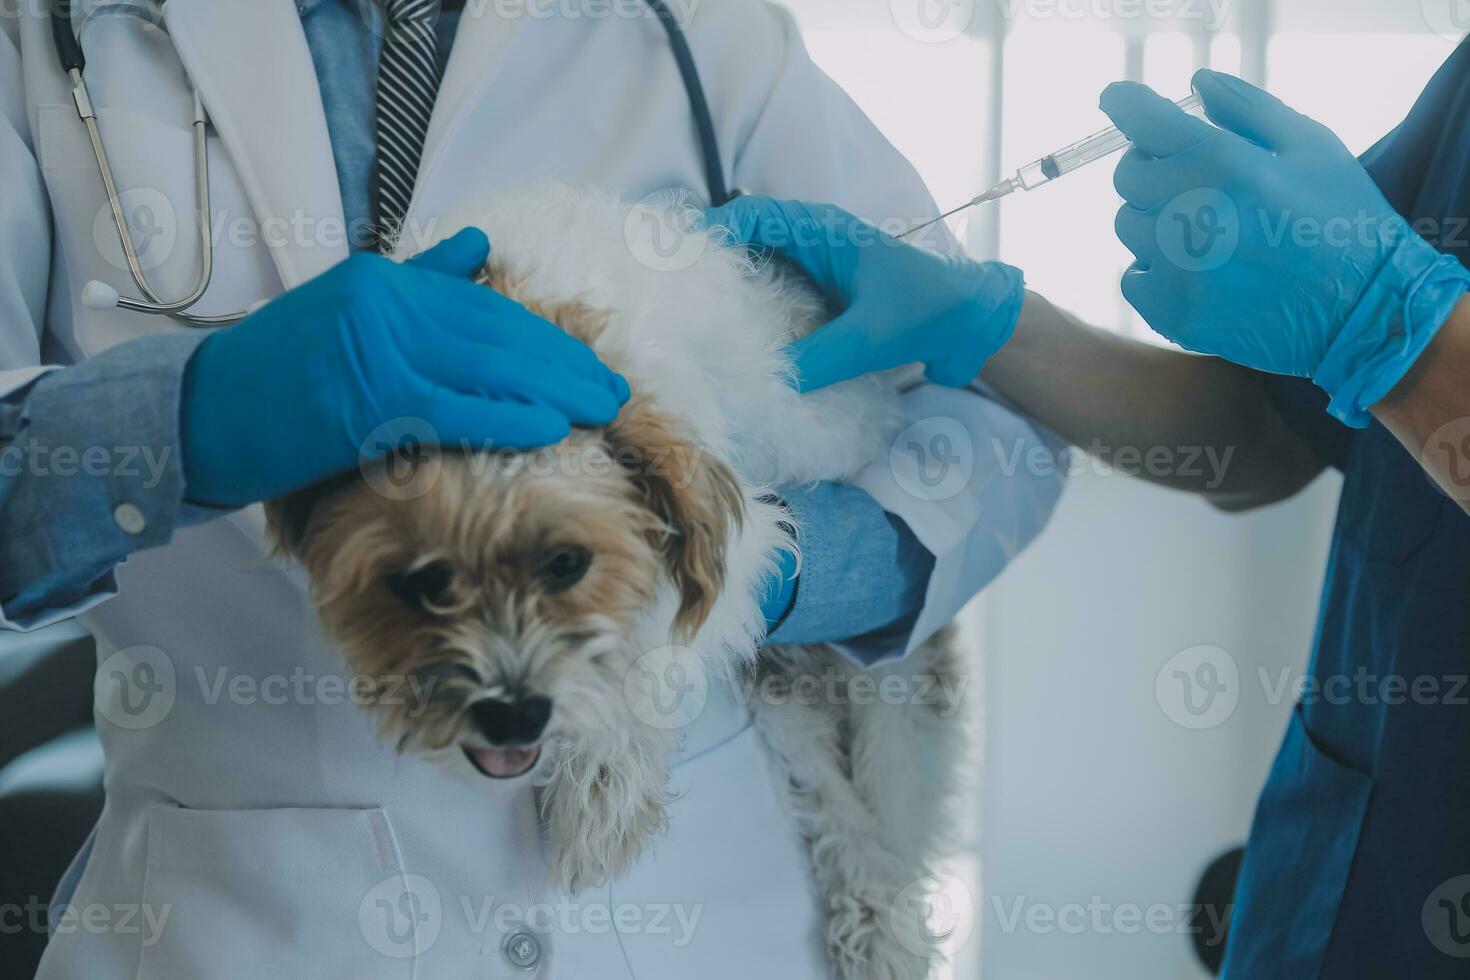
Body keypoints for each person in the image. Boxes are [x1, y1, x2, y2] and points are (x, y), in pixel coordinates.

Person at [0, 1, 1062, 976]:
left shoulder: (699, 29)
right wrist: (186, 420)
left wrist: (759, 568)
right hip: (249, 918)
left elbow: (996, 423)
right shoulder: (39, 31)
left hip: (701, 905)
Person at [712, 61, 1470, 975]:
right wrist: (991, 325)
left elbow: (1372, 348)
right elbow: (1262, 433)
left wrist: (1396, 327)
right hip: (1336, 888)